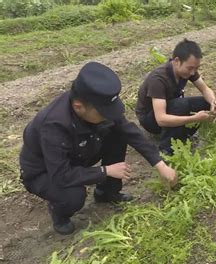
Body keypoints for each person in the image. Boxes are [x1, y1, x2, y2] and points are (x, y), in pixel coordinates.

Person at [19, 62, 177, 235]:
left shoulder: (95, 103)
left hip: (78, 153)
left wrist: (160, 164)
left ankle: (107, 192)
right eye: (103, 113)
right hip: (46, 172)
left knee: (117, 133)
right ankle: (60, 213)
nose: (108, 116)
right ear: (78, 106)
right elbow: (61, 175)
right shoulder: (53, 126)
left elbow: (129, 130)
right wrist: (105, 170)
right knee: (73, 196)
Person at [136, 39, 216, 154]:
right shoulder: (158, 79)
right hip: (150, 119)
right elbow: (161, 119)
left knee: (205, 103)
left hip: (171, 107)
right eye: (190, 68)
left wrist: (213, 102)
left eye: (196, 68)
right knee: (181, 104)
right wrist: (194, 118)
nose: (193, 72)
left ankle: (182, 135)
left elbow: (205, 89)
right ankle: (167, 149)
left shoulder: (187, 71)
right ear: (177, 61)